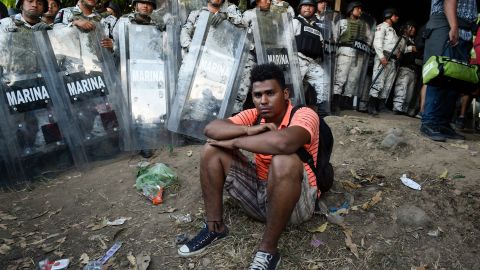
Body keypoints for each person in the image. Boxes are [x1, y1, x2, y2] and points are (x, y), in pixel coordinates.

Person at [177, 63, 320, 270]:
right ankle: (214, 227)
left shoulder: (304, 114)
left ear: (285, 93)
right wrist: (249, 130)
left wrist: (235, 142)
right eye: (257, 95)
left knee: (283, 159)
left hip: (296, 205)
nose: (263, 101)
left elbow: (283, 143)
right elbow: (211, 129)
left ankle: (268, 251)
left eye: (270, 93)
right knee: (211, 150)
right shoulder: (255, 116)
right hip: (261, 197)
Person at [420, 0, 477, 141]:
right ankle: (430, 122)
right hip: (447, 26)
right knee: (440, 76)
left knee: (454, 80)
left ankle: (443, 124)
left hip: (462, 32)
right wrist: (454, 26)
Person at [332, 1, 373, 114]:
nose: (360, 11)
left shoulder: (365, 25)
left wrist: (364, 46)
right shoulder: (342, 22)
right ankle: (335, 103)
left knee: (353, 80)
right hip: (344, 51)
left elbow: (369, 40)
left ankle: (345, 103)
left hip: (358, 54)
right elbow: (335, 38)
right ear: (351, 10)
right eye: (357, 8)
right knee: (340, 78)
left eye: (360, 9)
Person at [293, 0, 328, 116]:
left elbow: (320, 45)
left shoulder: (316, 27)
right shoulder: (295, 22)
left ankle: (321, 114)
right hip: (297, 60)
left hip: (312, 62)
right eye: (305, 6)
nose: (308, 8)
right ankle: (290, 115)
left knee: (323, 80)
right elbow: (286, 41)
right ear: (300, 8)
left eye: (311, 6)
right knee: (295, 91)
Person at [367, 8, 403, 115]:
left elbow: (394, 45)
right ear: (389, 15)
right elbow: (377, 42)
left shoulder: (393, 31)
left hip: (392, 60)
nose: (397, 17)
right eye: (395, 15)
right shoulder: (382, 27)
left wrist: (398, 53)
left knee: (387, 84)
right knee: (378, 82)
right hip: (384, 57)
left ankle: (381, 106)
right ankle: (371, 106)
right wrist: (382, 57)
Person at [180, 0, 244, 56]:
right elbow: (185, 32)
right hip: (200, 59)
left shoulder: (229, 13)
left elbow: (243, 25)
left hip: (221, 61)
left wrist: (226, 16)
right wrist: (191, 47)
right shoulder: (196, 14)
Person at [392, 21, 420, 115]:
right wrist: (410, 49)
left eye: (413, 28)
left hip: (413, 70)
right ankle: (397, 108)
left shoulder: (413, 41)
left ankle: (404, 110)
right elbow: (397, 51)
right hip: (404, 68)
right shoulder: (401, 38)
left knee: (409, 93)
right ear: (405, 28)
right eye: (410, 27)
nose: (413, 29)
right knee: (401, 88)